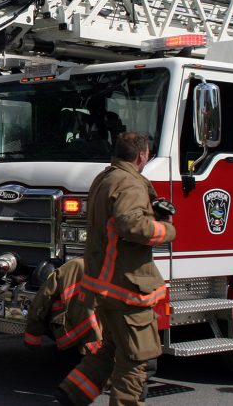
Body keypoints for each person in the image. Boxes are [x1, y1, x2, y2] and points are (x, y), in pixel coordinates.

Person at [58, 132, 175, 406]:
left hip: (103, 284)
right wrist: (166, 229)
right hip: (126, 287)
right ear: (141, 155)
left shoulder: (106, 178)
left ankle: (72, 393)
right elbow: (131, 225)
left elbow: (117, 222)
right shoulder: (130, 183)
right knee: (136, 357)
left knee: (112, 346)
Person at [24, 257, 102, 355]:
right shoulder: (114, 270)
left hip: (69, 335)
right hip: (101, 339)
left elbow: (42, 300)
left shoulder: (72, 266)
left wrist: (32, 337)